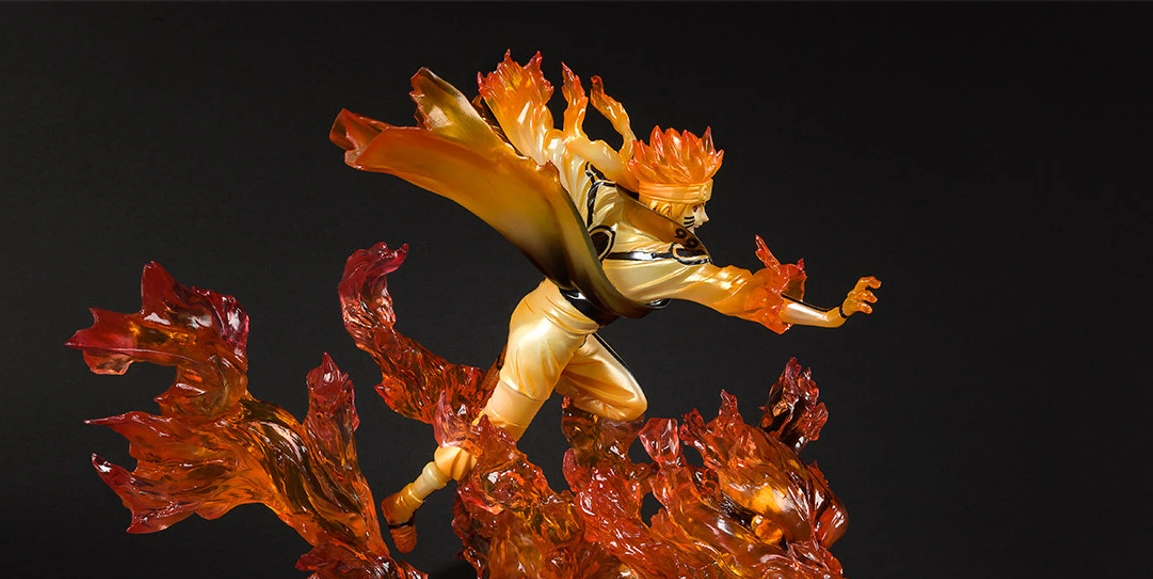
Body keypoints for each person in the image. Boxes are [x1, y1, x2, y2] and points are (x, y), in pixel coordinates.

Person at [332, 52, 879, 550]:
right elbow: (742, 295)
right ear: (667, 203)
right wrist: (829, 316)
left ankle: (585, 488)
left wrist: (831, 315)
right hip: (545, 335)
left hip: (570, 335)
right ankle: (406, 501)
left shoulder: (621, 208)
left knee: (627, 405)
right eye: (695, 207)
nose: (704, 218)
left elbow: (747, 293)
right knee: (489, 444)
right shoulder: (651, 244)